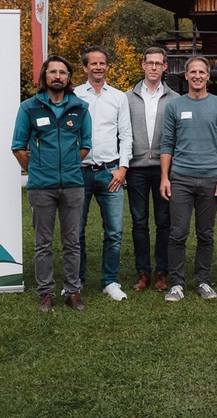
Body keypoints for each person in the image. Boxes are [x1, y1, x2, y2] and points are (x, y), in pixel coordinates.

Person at [11, 56, 92, 312]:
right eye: (53, 71)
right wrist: (37, 169)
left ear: (69, 78)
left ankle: (72, 291)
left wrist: (66, 166)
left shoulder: (81, 107)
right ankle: (45, 293)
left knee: (72, 241)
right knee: (42, 243)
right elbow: (18, 147)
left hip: (72, 185)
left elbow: (86, 145)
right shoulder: (29, 107)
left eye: (63, 72)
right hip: (41, 187)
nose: (58, 76)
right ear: (45, 76)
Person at [159, 56, 217, 302]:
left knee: (206, 234)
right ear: (187, 76)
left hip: (211, 178)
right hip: (180, 178)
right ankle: (177, 284)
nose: (198, 76)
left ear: (208, 76)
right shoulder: (174, 106)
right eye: (193, 72)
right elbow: (167, 143)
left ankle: (202, 280)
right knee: (177, 233)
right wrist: (164, 177)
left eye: (202, 72)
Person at [74, 45, 132, 301]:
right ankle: (75, 280)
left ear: (108, 66)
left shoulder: (119, 97)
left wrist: (123, 167)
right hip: (80, 173)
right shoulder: (74, 96)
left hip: (111, 173)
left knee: (114, 232)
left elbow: (126, 135)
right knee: (76, 230)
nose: (98, 67)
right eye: (93, 64)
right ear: (85, 67)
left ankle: (110, 280)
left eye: (102, 63)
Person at [126, 47, 180, 293]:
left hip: (163, 169)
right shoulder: (126, 98)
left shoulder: (175, 98)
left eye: (159, 63)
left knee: (164, 222)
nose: (155, 67)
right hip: (136, 168)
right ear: (143, 65)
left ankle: (161, 272)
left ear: (165, 67)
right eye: (151, 63)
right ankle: (143, 272)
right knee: (139, 222)